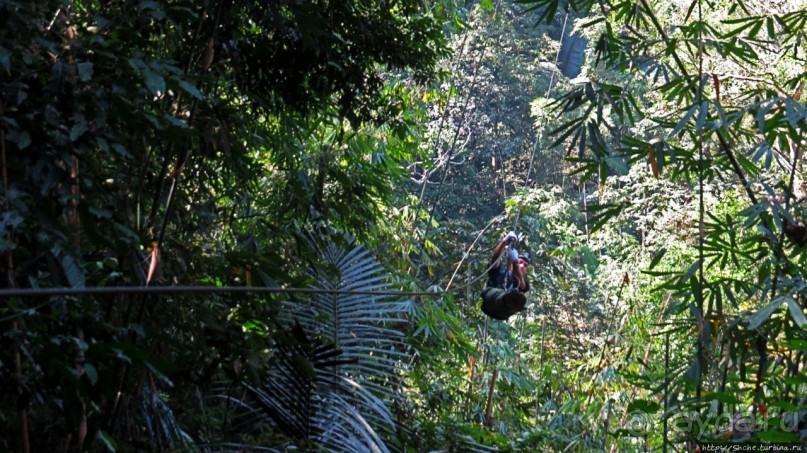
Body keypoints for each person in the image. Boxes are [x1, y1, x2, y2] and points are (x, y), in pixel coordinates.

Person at [480, 231, 530, 320]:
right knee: (496, 293)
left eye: (525, 265)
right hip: (490, 304)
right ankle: (506, 299)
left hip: (503, 312)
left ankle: (508, 301)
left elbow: (521, 284)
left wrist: (515, 262)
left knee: (517, 297)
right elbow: (495, 259)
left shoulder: (522, 283)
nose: (522, 266)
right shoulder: (498, 271)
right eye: (521, 262)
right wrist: (504, 241)